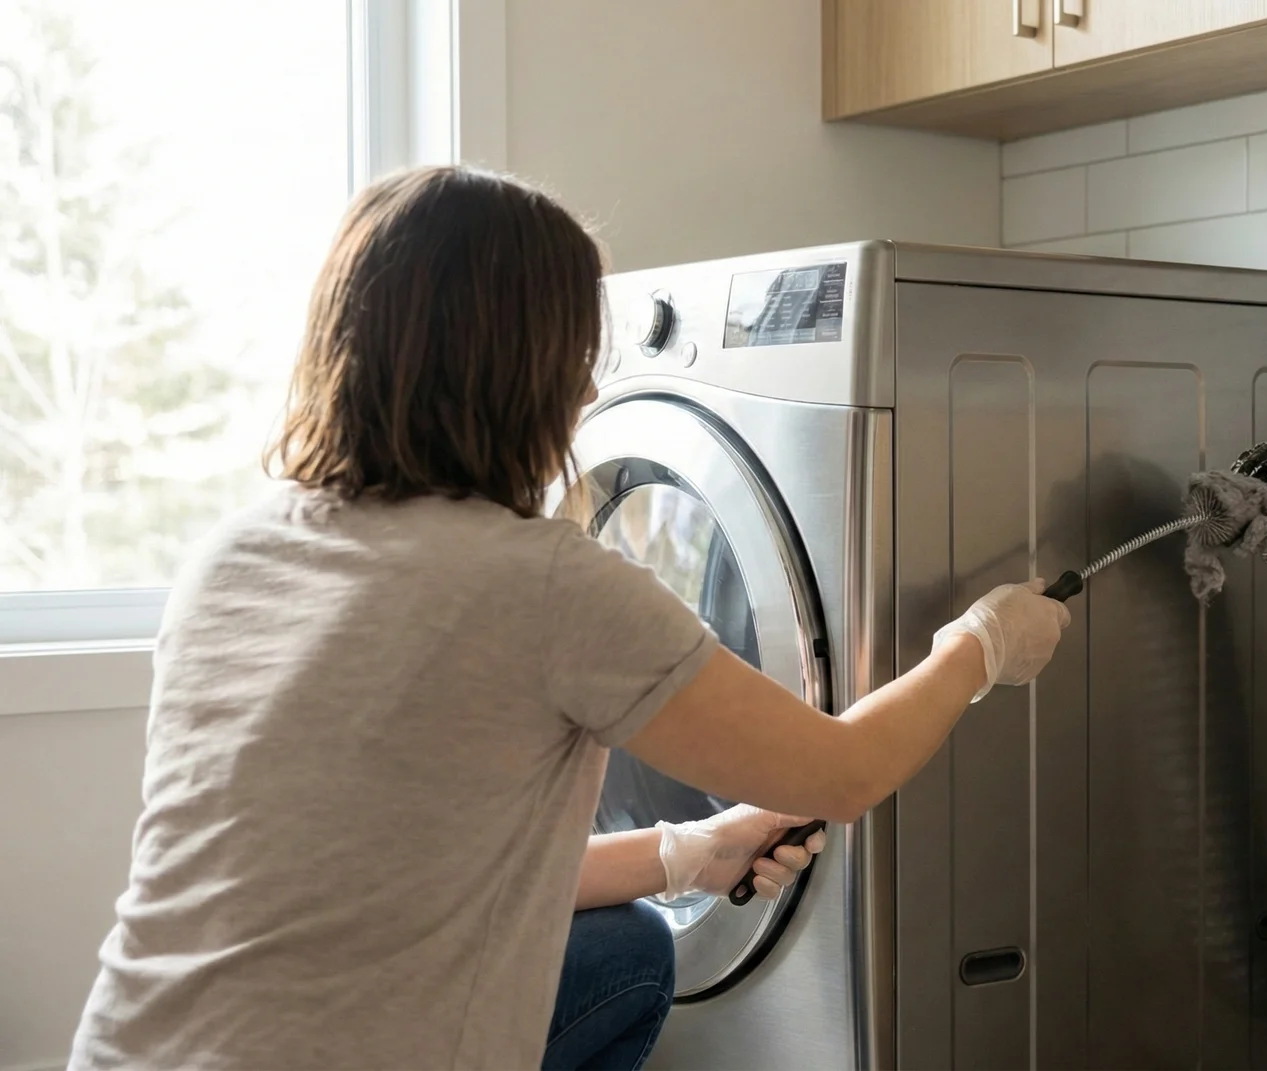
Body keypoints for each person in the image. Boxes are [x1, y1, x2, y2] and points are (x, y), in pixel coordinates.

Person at [68, 166, 1070, 1071]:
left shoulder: (231, 555)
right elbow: (843, 773)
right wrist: (978, 645)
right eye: (579, 356)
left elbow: (377, 874)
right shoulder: (539, 582)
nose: (590, 387)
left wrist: (690, 852)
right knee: (632, 959)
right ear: (527, 373)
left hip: (128, 1048)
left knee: (628, 946)